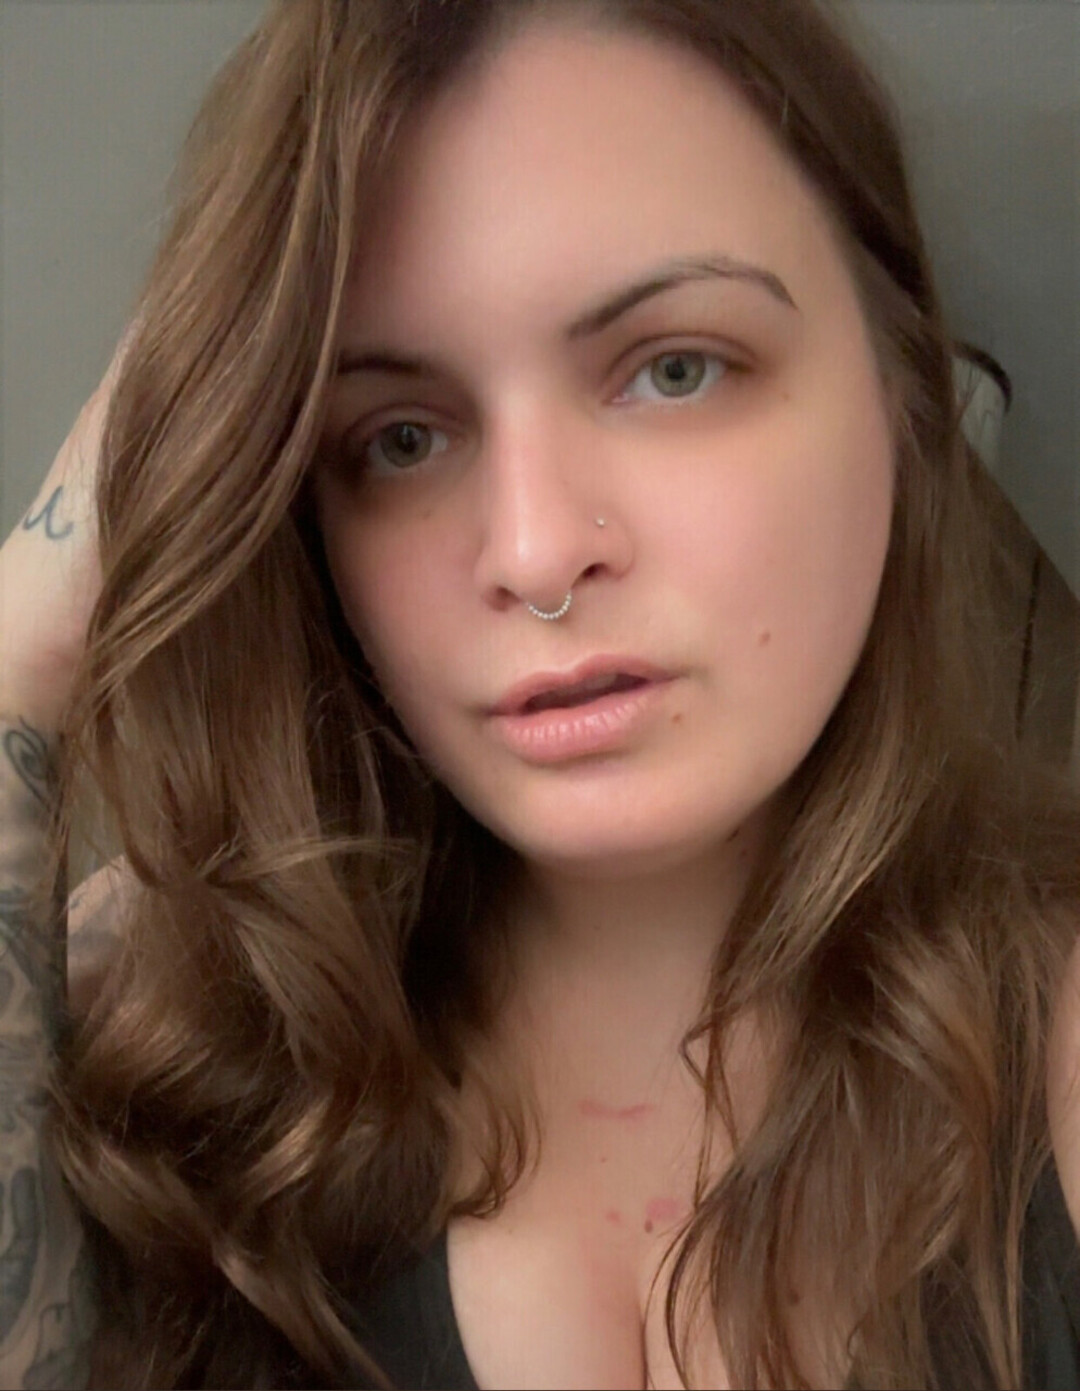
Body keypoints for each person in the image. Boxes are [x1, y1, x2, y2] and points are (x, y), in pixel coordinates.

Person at [2, 0, 1079, 1386]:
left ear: (901, 392)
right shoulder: (153, 1005)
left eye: (674, 370)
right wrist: (26, 646)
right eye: (400, 438)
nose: (533, 552)